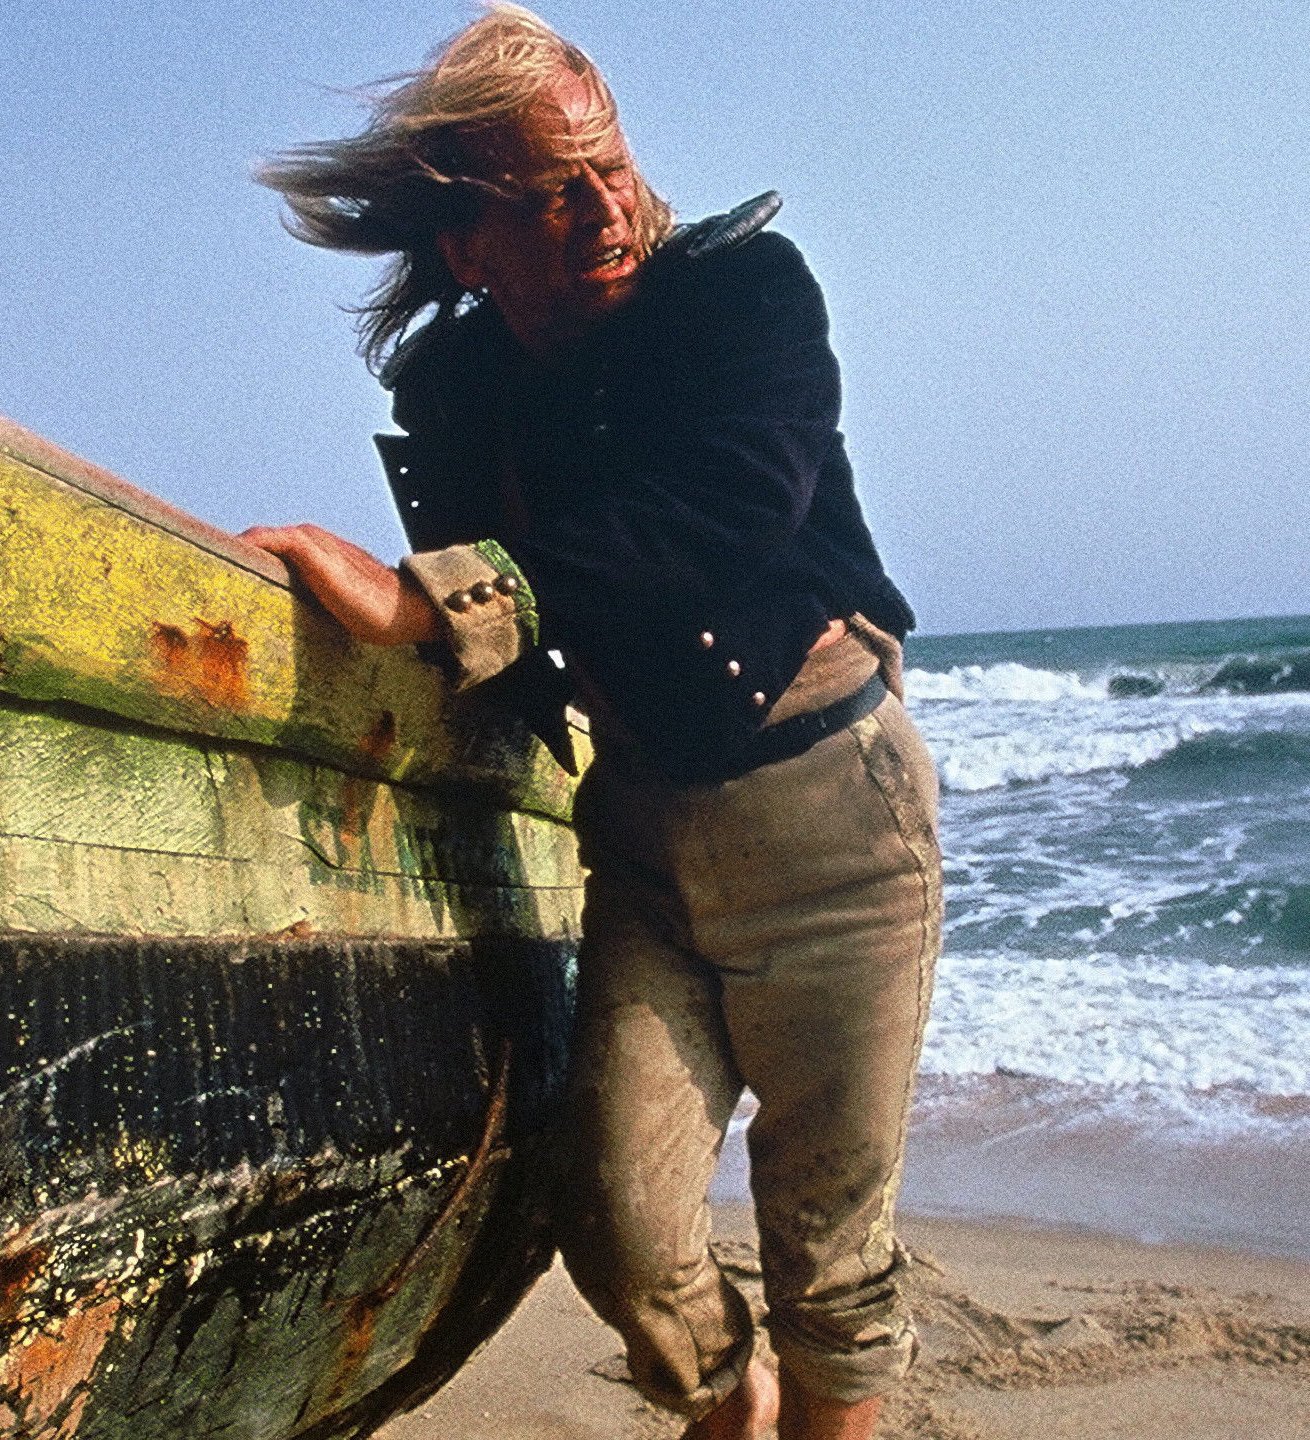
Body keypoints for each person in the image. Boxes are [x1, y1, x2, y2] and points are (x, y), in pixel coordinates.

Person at [243, 9, 940, 1439]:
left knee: (828, 1259)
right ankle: (728, 1409)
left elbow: (732, 503)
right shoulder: (456, 387)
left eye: (610, 167)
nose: (606, 209)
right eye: (553, 192)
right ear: (470, 244)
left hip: (834, 816)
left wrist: (433, 599)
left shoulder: (745, 296)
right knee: (617, 1227)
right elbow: (499, 647)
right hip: (641, 834)